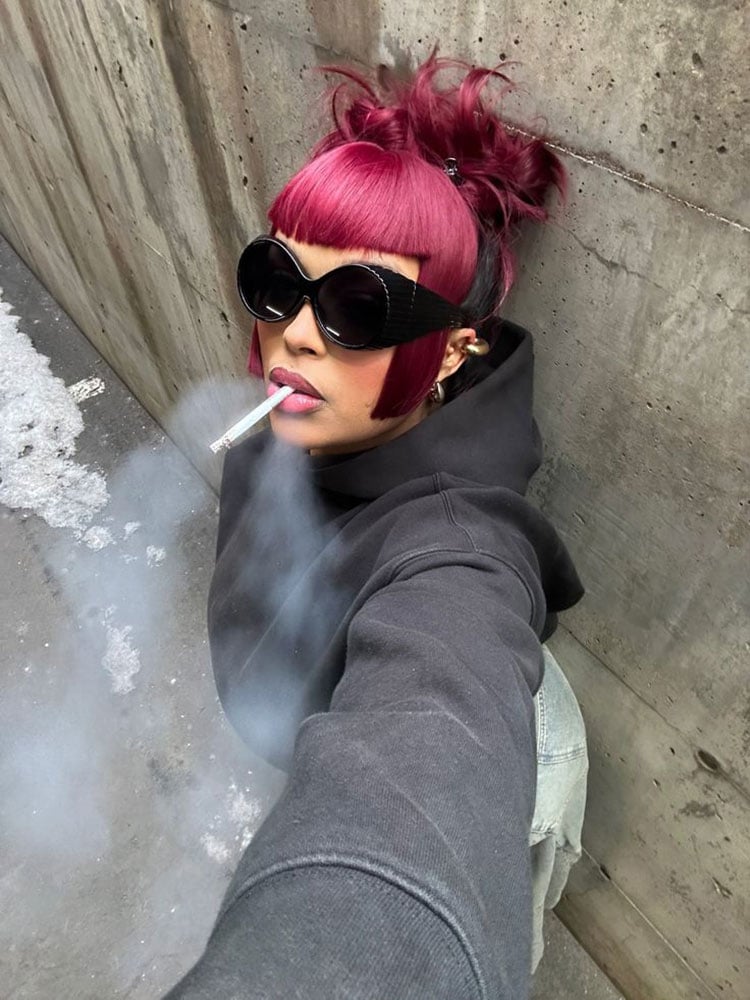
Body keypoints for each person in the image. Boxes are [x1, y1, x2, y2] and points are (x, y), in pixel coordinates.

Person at [165, 52, 586, 1000]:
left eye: (359, 306)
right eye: (277, 280)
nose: (296, 333)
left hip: (509, 772)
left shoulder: (461, 557)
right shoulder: (309, 415)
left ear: (454, 354)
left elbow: (423, 763)